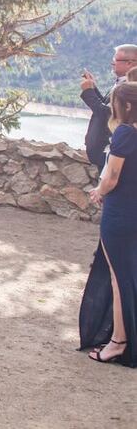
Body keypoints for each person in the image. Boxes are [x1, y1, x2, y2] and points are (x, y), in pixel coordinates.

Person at [80, 82, 137, 366]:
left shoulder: (126, 133)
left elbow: (112, 177)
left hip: (121, 213)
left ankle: (118, 342)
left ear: (126, 105)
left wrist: (98, 191)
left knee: (119, 278)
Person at [81, 44, 137, 174]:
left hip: (110, 150)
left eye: (115, 59)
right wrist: (93, 88)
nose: (112, 63)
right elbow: (107, 106)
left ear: (129, 63)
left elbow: (107, 114)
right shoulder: (120, 83)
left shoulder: (129, 87)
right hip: (103, 153)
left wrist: (88, 92)